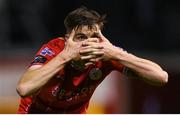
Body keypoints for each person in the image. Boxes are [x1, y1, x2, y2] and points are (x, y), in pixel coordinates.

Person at [16, 6, 168, 114]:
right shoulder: (55, 49)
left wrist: (118, 54)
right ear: (68, 39)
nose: (88, 44)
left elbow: (161, 77)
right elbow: (24, 89)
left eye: (94, 38)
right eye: (81, 38)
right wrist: (65, 57)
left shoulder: (106, 52)